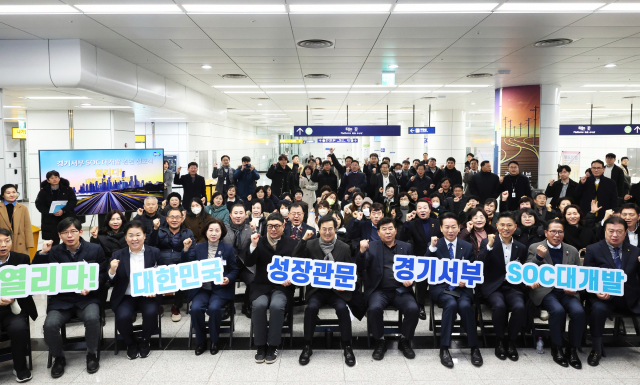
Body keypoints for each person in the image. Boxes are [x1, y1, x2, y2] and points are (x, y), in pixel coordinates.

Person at [34, 218, 107, 378]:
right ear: (60, 235)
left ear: (80, 232)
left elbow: (103, 274)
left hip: (87, 298)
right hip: (61, 300)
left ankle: (91, 354)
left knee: (93, 318)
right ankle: (58, 357)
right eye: (65, 232)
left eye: (73, 231)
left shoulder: (95, 249)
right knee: (49, 325)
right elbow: (39, 274)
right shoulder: (54, 251)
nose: (69, 235)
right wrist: (43, 253)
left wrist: (92, 287)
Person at [293, 216, 356, 367]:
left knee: (342, 309)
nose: (327, 232)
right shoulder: (311, 245)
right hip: (317, 290)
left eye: (330, 229)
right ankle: (307, 345)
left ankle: (347, 346)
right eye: (324, 229)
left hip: (337, 291)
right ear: (319, 229)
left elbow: (352, 272)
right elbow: (295, 259)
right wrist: (303, 240)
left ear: (335, 229)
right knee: (311, 308)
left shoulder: (344, 247)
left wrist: (345, 285)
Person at [356, 217, 418, 360]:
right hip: (379, 290)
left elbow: (415, 269)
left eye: (390, 228)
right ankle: (380, 341)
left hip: (401, 290)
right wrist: (361, 251)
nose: (388, 232)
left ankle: (405, 340)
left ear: (396, 230)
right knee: (374, 308)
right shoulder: (371, 246)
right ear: (378, 233)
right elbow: (360, 268)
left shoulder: (406, 247)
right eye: (384, 229)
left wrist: (412, 280)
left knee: (413, 309)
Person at [426, 212, 483, 368]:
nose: (450, 230)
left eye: (453, 227)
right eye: (447, 227)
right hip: (442, 288)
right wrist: (430, 248)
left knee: (465, 306)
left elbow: (472, 269)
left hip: (462, 289)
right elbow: (425, 266)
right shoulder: (435, 245)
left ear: (459, 228)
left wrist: (466, 280)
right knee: (450, 304)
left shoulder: (467, 246)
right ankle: (444, 348)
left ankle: (474, 348)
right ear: (441, 228)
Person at [527, 219, 584, 369]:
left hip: (566, 291)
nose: (556, 235)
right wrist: (539, 257)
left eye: (560, 232)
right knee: (557, 311)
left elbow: (580, 275)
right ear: (546, 233)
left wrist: (575, 289)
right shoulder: (535, 247)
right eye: (553, 231)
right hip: (546, 291)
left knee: (578, 312)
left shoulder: (571, 250)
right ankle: (556, 347)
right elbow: (527, 271)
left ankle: (572, 350)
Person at [584, 216, 640, 367]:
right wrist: (596, 291)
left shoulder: (635, 251)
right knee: (597, 309)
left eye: (619, 231)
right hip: (603, 297)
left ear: (626, 232)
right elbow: (588, 276)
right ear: (605, 231)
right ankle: (595, 348)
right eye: (611, 231)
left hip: (629, 298)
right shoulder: (593, 249)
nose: (615, 235)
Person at [246, 213, 298, 364]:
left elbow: (297, 269)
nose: (273, 229)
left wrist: (291, 280)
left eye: (276, 226)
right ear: (266, 227)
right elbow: (249, 262)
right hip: (261, 285)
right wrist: (253, 246)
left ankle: (273, 345)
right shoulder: (259, 241)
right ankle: (261, 345)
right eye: (270, 226)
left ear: (283, 226)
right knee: (259, 305)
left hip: (282, 287)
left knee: (277, 306)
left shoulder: (292, 244)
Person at [477, 212, 527, 361]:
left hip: (512, 287)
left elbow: (523, 269)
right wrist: (490, 246)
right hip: (493, 286)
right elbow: (480, 263)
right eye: (502, 225)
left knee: (519, 307)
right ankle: (499, 340)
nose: (505, 228)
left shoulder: (521, 247)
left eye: (509, 225)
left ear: (515, 227)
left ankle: (511, 341)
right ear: (496, 226)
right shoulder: (487, 242)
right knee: (499, 306)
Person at [108, 221, 162, 360]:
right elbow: (110, 281)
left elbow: (162, 275)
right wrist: (112, 270)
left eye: (138, 234)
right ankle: (131, 343)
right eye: (130, 235)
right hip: (126, 296)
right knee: (122, 316)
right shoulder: (117, 255)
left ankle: (145, 341)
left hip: (147, 294)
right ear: (126, 238)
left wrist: (155, 289)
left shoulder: (154, 252)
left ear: (144, 236)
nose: (134, 238)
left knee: (151, 312)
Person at [187, 218, 238, 355]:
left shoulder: (227, 249)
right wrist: (186, 250)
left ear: (221, 233)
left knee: (215, 308)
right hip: (202, 289)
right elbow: (187, 265)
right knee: (196, 308)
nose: (213, 233)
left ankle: (214, 340)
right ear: (206, 232)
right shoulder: (198, 247)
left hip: (220, 289)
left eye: (217, 230)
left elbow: (234, 270)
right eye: (211, 230)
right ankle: (201, 341)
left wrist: (229, 278)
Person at [0, 228, 38, 382]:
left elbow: (30, 287)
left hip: (14, 309)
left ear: (11, 241)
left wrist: (15, 297)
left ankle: (20, 367)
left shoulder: (22, 259)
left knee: (19, 328)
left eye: (6, 241)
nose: (3, 245)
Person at [148, 207, 196, 322]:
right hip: (162, 261)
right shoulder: (160, 230)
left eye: (177, 217)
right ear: (167, 219)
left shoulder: (187, 232)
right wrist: (154, 229)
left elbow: (193, 251)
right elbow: (151, 244)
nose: (175, 220)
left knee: (182, 273)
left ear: (182, 218)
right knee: (155, 273)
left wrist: (186, 249)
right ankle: (158, 305)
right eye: (172, 217)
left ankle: (176, 306)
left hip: (181, 261)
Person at [401, 199, 442, 320]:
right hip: (420, 257)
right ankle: (420, 305)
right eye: (419, 208)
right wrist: (407, 222)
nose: (422, 210)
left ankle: (443, 303)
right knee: (421, 281)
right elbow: (403, 238)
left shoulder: (437, 222)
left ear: (430, 209)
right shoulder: (413, 224)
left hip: (436, 257)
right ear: (416, 210)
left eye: (425, 207)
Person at [223, 203, 255, 318]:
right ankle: (227, 306)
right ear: (230, 215)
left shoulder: (249, 229)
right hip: (228, 265)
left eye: (241, 213)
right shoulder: (223, 229)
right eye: (235, 213)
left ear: (245, 215)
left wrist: (255, 233)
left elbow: (255, 247)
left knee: (253, 280)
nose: (238, 216)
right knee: (224, 280)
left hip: (244, 265)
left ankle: (247, 305)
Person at [35, 170, 78, 246]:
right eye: (51, 178)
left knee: (69, 240)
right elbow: (39, 204)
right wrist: (50, 212)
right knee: (53, 244)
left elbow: (73, 201)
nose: (54, 179)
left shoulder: (67, 189)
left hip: (66, 217)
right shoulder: (43, 191)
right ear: (48, 180)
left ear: (59, 178)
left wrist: (63, 210)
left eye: (56, 177)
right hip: (50, 220)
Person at [0, 184, 33, 254]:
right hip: (3, 242)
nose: (12, 195)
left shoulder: (23, 207)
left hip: (20, 242)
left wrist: (29, 243)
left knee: (21, 262)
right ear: (3, 195)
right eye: (8, 193)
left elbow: (27, 227)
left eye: (14, 192)